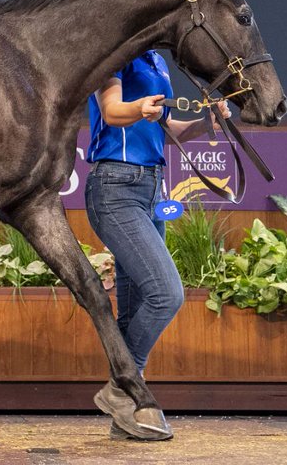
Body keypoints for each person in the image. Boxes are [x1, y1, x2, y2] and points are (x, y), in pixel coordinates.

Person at [85, 48, 229, 441]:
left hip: (150, 189)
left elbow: (171, 130)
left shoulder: (156, 62)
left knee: (134, 311)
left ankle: (126, 412)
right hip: (115, 187)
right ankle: (122, 389)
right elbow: (113, 110)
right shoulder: (115, 53)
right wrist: (140, 108)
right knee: (166, 294)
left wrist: (208, 122)